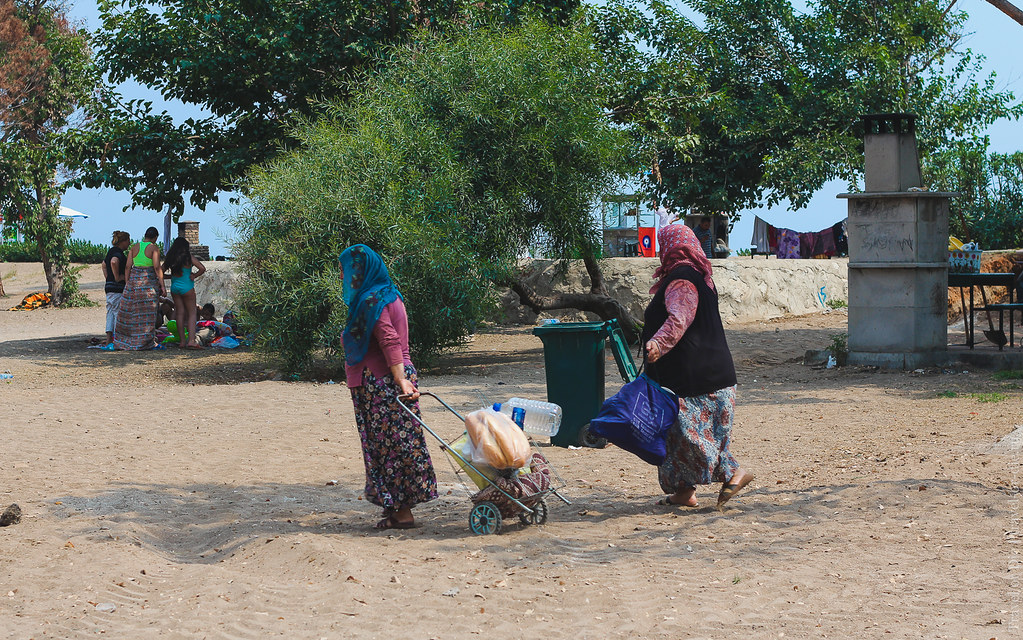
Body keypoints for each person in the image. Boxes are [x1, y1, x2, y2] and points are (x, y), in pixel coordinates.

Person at [642, 223, 753, 510]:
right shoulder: (702, 276)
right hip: (715, 376)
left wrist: (658, 343)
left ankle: (732, 473)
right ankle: (683, 492)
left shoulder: (682, 279)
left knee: (685, 435)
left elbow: (680, 318)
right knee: (679, 436)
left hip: (695, 380)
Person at [339, 244, 437, 530]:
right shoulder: (389, 294)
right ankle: (397, 507)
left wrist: (399, 379)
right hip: (391, 379)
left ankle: (402, 511)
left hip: (382, 383)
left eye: (351, 270)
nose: (348, 277)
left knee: (389, 447)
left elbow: (389, 340)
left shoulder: (372, 300)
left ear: (363, 270)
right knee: (400, 444)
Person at [113, 227, 165, 350]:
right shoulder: (154, 248)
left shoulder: (134, 247)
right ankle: (145, 341)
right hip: (148, 285)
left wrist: (128, 283)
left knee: (132, 314)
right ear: (155, 237)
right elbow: (157, 268)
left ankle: (126, 341)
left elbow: (127, 267)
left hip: (134, 284)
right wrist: (162, 285)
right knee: (147, 315)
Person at [162, 237, 206, 349]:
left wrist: (169, 276)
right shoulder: (188, 257)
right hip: (187, 287)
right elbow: (202, 268)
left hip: (175, 287)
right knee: (191, 313)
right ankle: (191, 341)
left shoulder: (171, 258)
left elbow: (160, 272)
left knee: (179, 313)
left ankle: (182, 341)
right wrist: (194, 275)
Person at [101, 231, 131, 346]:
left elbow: (104, 264)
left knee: (110, 313)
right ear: (123, 241)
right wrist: (117, 277)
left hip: (109, 287)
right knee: (118, 313)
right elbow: (114, 262)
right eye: (128, 241)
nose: (129, 243)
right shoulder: (118, 253)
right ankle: (119, 339)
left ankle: (109, 339)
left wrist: (108, 277)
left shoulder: (110, 251)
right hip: (117, 288)